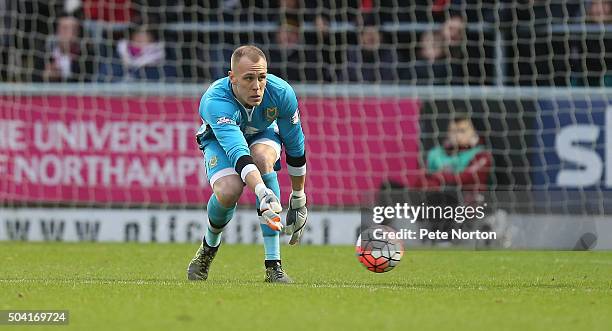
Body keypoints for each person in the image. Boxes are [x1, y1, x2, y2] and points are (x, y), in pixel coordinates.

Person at [188, 45, 308, 283]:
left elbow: (295, 147)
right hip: (221, 142)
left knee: (263, 158)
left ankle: (274, 266)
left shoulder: (281, 93)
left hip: (262, 134)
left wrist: (299, 198)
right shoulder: (215, 101)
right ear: (232, 78)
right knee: (228, 190)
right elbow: (239, 154)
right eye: (249, 78)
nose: (256, 86)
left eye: (261, 77)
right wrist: (262, 191)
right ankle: (209, 247)